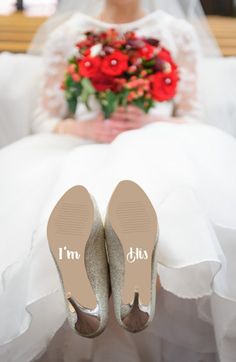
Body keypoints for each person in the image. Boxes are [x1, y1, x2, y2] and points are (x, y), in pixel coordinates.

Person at [0, 1, 236, 361]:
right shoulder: (67, 33)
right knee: (134, 185)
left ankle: (96, 281)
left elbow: (190, 114)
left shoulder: (177, 33)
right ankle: (133, 273)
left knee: (117, 177)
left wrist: (148, 123)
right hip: (81, 140)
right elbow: (45, 116)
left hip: (157, 137)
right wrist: (84, 126)